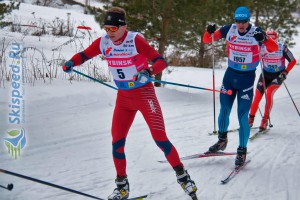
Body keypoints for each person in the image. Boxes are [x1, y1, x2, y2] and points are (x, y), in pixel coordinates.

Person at [62, 7, 197, 200]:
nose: (110, 33)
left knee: (160, 138)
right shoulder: (104, 42)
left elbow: (161, 61)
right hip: (124, 98)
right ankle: (122, 186)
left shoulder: (135, 40)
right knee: (117, 142)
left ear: (123, 27)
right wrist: (71, 63)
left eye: (113, 29)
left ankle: (183, 176)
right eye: (106, 28)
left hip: (144, 95)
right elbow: (84, 55)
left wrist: (148, 72)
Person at [202, 6, 278, 167]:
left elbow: (273, 48)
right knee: (224, 109)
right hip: (230, 76)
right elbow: (207, 40)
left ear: (248, 21)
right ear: (235, 20)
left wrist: (264, 39)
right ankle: (222, 140)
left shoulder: (257, 32)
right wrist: (208, 31)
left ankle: (241, 151)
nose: (241, 25)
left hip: (246, 79)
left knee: (242, 116)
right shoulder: (229, 29)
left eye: (244, 21)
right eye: (238, 21)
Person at [249, 30, 297, 131]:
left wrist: (285, 72)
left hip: (277, 75)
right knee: (257, 96)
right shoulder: (261, 46)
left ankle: (265, 120)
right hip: (265, 74)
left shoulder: (281, 48)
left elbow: (293, 61)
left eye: (273, 40)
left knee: (269, 93)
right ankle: (250, 119)